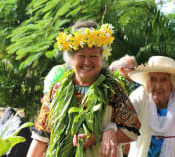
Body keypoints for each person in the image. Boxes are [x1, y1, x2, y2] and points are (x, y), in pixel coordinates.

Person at [27, 22, 141, 157]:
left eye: (93, 56)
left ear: (101, 57)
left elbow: (132, 129)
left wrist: (105, 133)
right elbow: (41, 137)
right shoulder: (57, 90)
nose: (87, 62)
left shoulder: (113, 89)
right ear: (70, 59)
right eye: (81, 56)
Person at [127, 56, 175, 157]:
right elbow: (124, 119)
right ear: (147, 82)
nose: (158, 86)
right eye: (153, 79)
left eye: (164, 80)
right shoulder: (139, 96)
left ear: (171, 82)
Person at [109, 55, 139, 157]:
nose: (136, 71)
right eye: (132, 68)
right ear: (121, 69)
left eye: (136, 68)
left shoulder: (137, 85)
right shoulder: (115, 86)